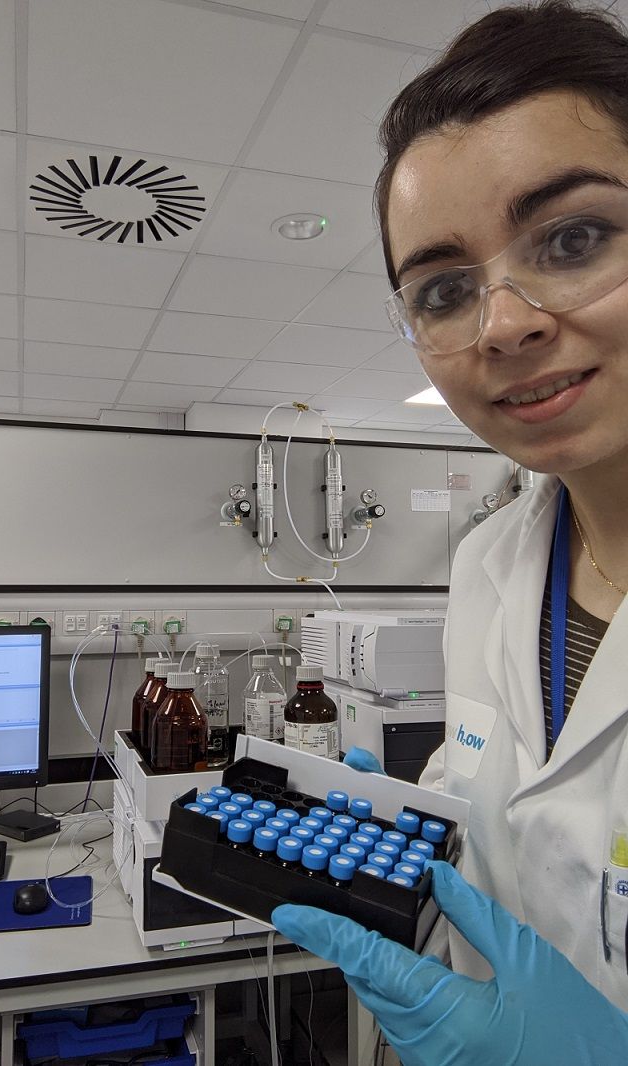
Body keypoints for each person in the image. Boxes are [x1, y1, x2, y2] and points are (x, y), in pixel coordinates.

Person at [272, 2, 628, 1062]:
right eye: (441, 289)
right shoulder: (488, 564)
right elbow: (487, 787)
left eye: (574, 237)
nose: (502, 323)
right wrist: (372, 826)